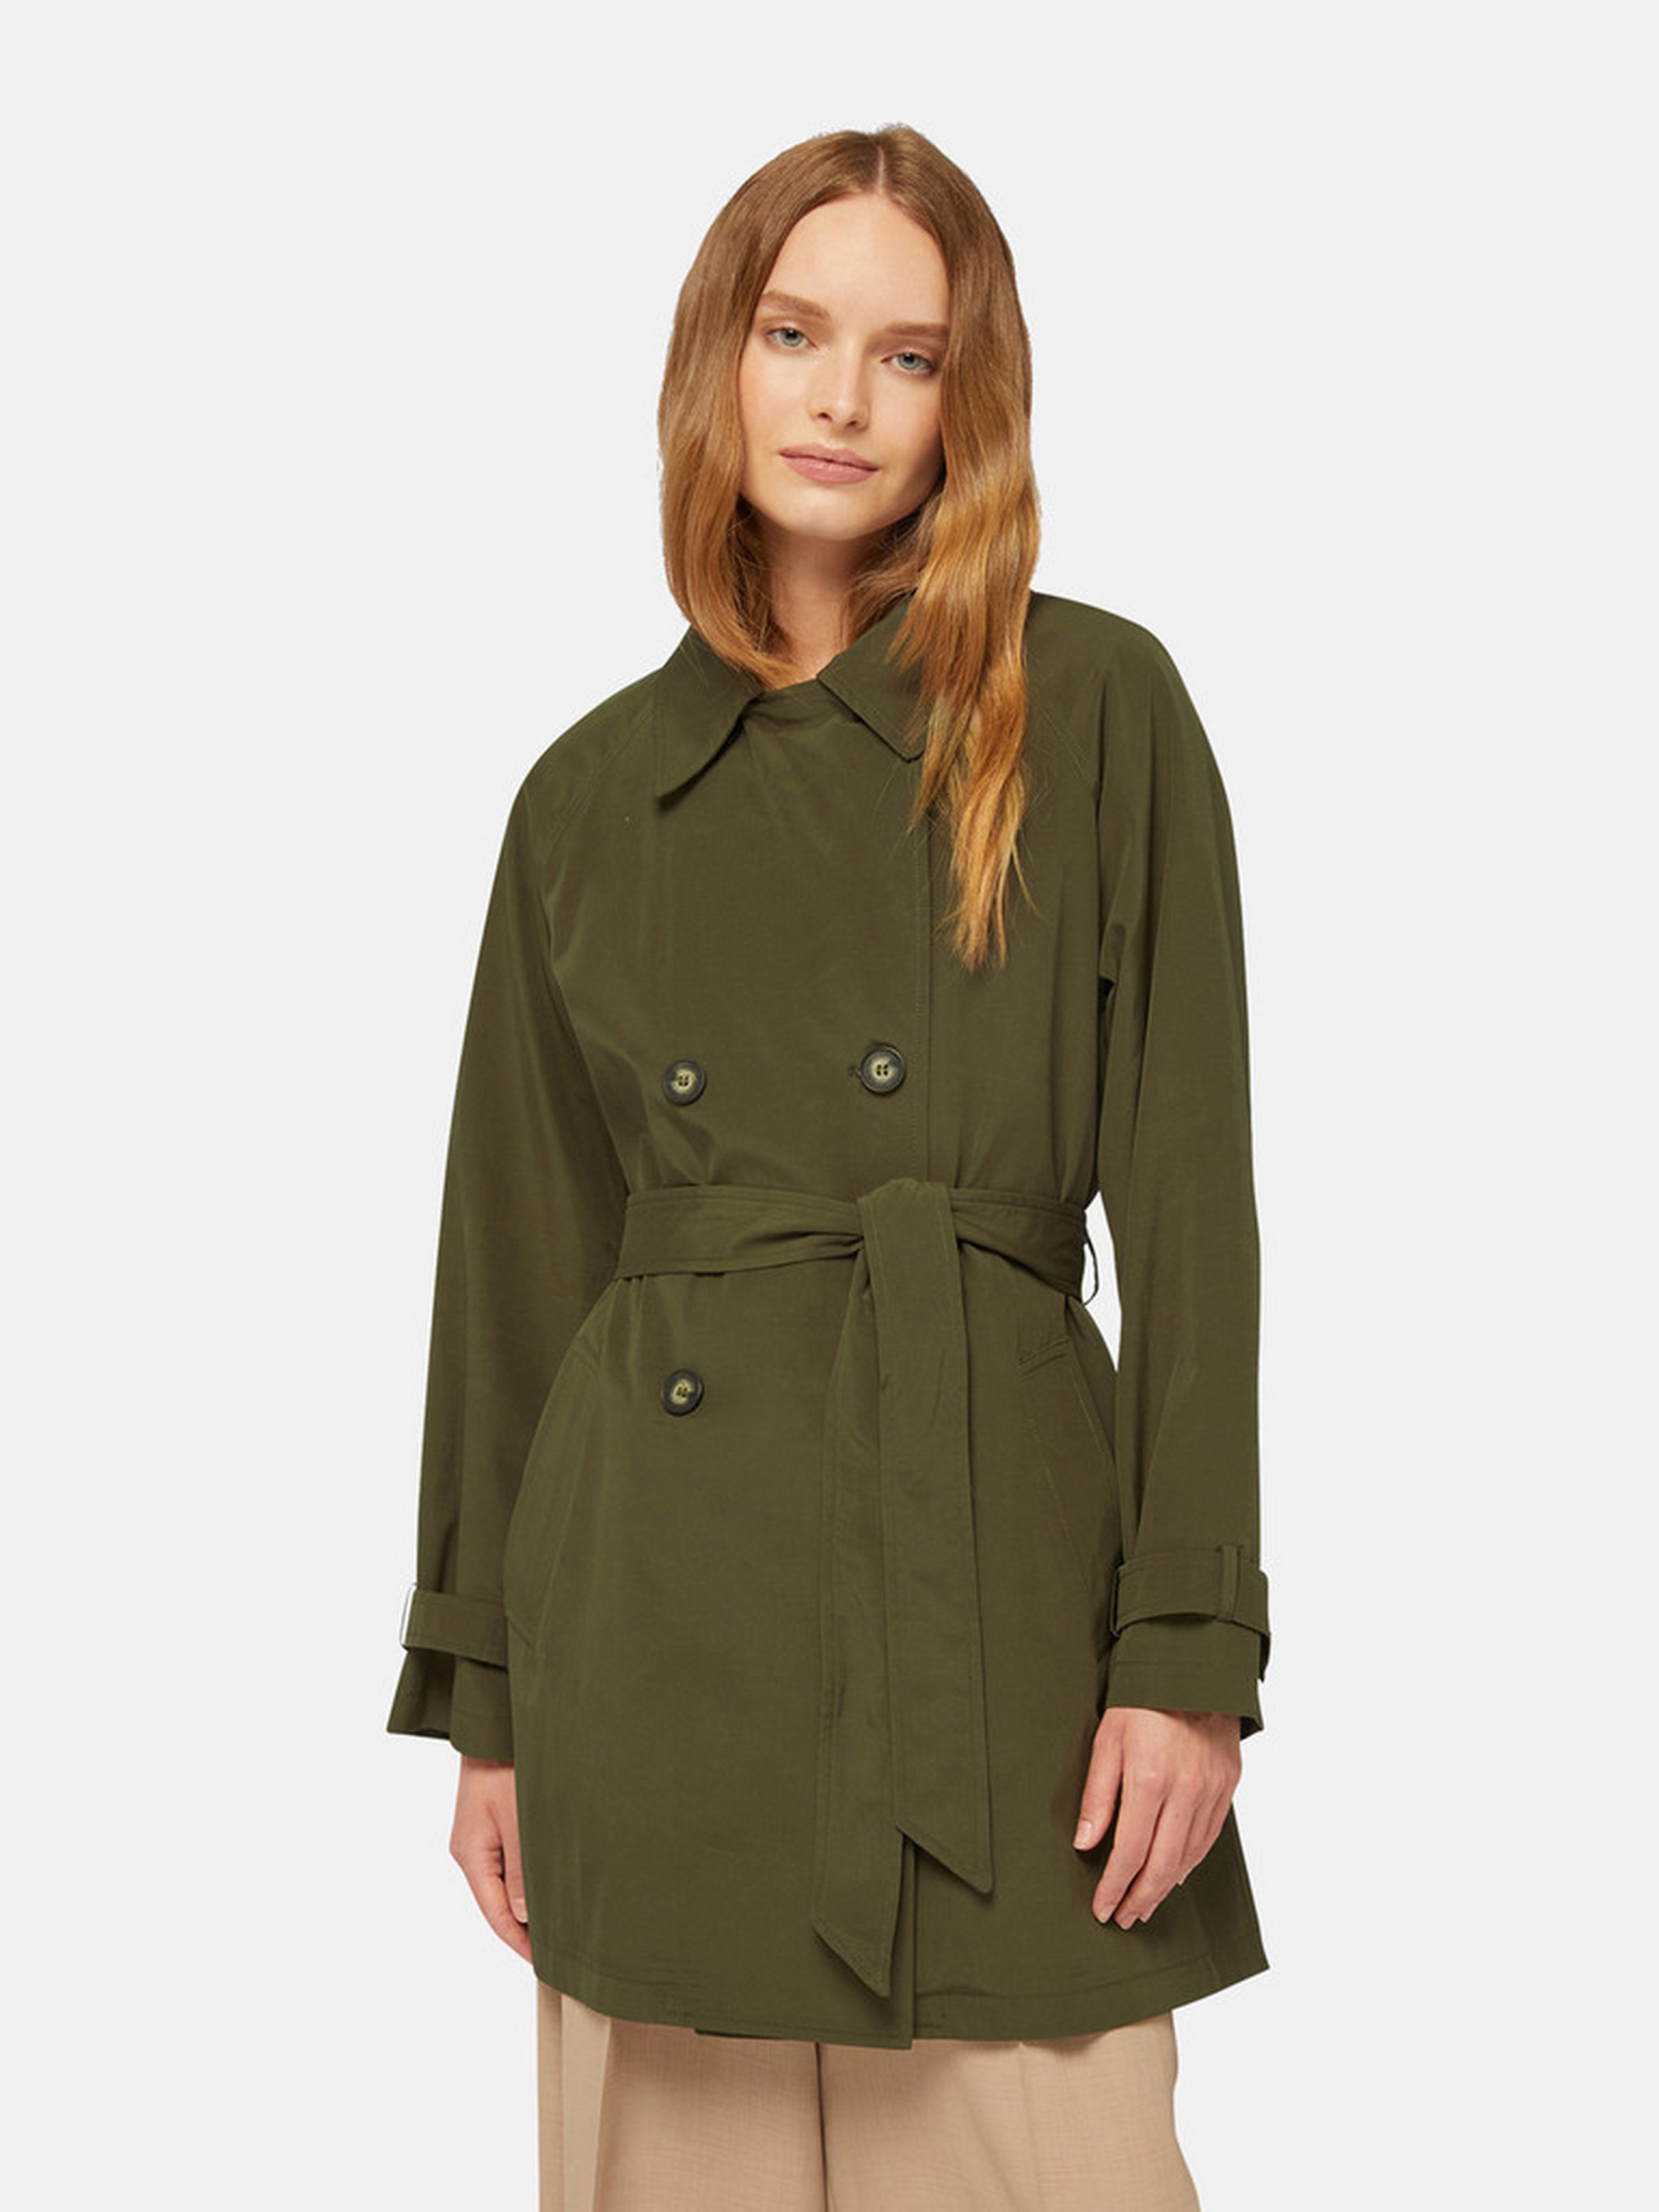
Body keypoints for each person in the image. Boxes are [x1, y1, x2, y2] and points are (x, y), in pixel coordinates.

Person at [387, 123, 1272, 2211]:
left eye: (907, 353)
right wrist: (488, 1699)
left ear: (971, 400)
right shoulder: (588, 799)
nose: (840, 400)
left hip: (1000, 1629)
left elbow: (1191, 1210)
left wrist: (1184, 1651)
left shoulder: (1091, 709)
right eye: (793, 334)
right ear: (718, 356)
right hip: (657, 1645)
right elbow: (515, 1265)